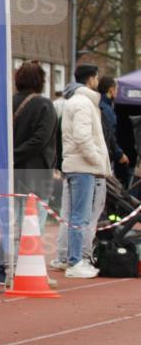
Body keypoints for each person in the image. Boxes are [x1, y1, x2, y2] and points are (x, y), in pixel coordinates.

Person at [0, 61, 58, 286]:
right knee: (33, 224)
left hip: (11, 173)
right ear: (40, 81)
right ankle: (29, 269)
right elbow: (42, 139)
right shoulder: (44, 105)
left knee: (11, 222)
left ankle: (4, 269)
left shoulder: (7, 103)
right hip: (36, 173)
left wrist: (10, 156)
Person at [59, 64, 111, 278]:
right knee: (80, 216)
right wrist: (97, 160)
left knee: (74, 216)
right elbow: (82, 137)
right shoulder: (83, 103)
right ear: (91, 79)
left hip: (77, 165)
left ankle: (72, 259)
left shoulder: (76, 102)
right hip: (82, 166)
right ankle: (75, 261)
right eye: (96, 78)